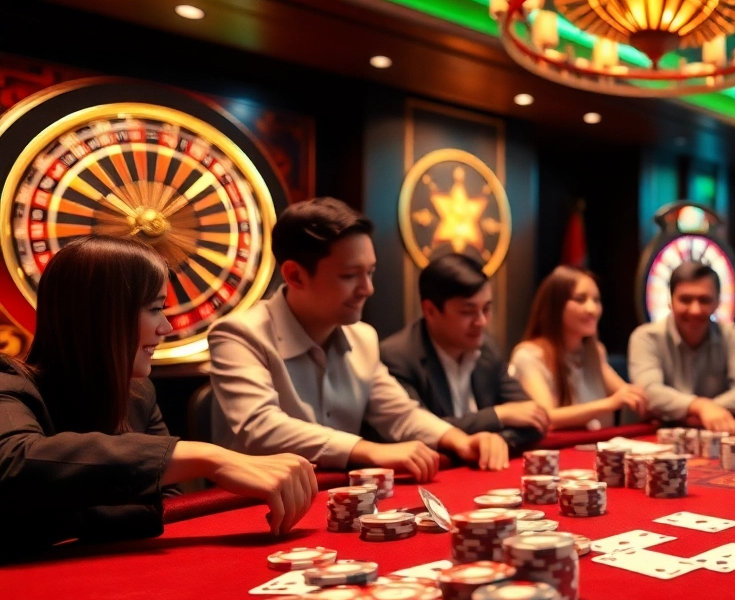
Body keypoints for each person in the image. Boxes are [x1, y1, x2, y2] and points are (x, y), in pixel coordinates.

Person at [0, 236, 315, 556]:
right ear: (104, 316)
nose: (165, 327)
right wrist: (211, 458)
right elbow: (15, 465)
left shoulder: (138, 393)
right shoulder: (7, 384)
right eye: (154, 310)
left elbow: (161, 502)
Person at [210, 197, 508, 477]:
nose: (368, 289)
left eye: (370, 273)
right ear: (295, 276)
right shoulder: (238, 335)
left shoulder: (363, 337)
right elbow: (261, 427)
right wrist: (368, 451)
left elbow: (398, 413)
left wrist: (459, 440)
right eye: (350, 275)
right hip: (251, 507)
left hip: (337, 496)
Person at [381, 252, 547, 453]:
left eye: (486, 309)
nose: (482, 322)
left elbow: (532, 417)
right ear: (430, 311)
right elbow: (419, 428)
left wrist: (497, 441)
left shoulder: (488, 349)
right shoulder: (398, 357)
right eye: (468, 312)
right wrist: (497, 415)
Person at [628, 261, 735, 434]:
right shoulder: (646, 337)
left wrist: (708, 410)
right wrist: (699, 407)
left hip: (709, 433)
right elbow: (648, 392)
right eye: (685, 299)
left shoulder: (730, 335)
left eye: (704, 300)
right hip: (655, 436)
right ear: (670, 301)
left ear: (717, 303)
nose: (695, 310)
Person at [510, 266, 647, 430]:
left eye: (596, 300)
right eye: (580, 299)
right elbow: (547, 417)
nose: (592, 309)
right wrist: (609, 404)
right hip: (554, 453)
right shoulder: (529, 356)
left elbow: (628, 395)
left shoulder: (595, 351)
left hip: (595, 449)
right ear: (556, 306)